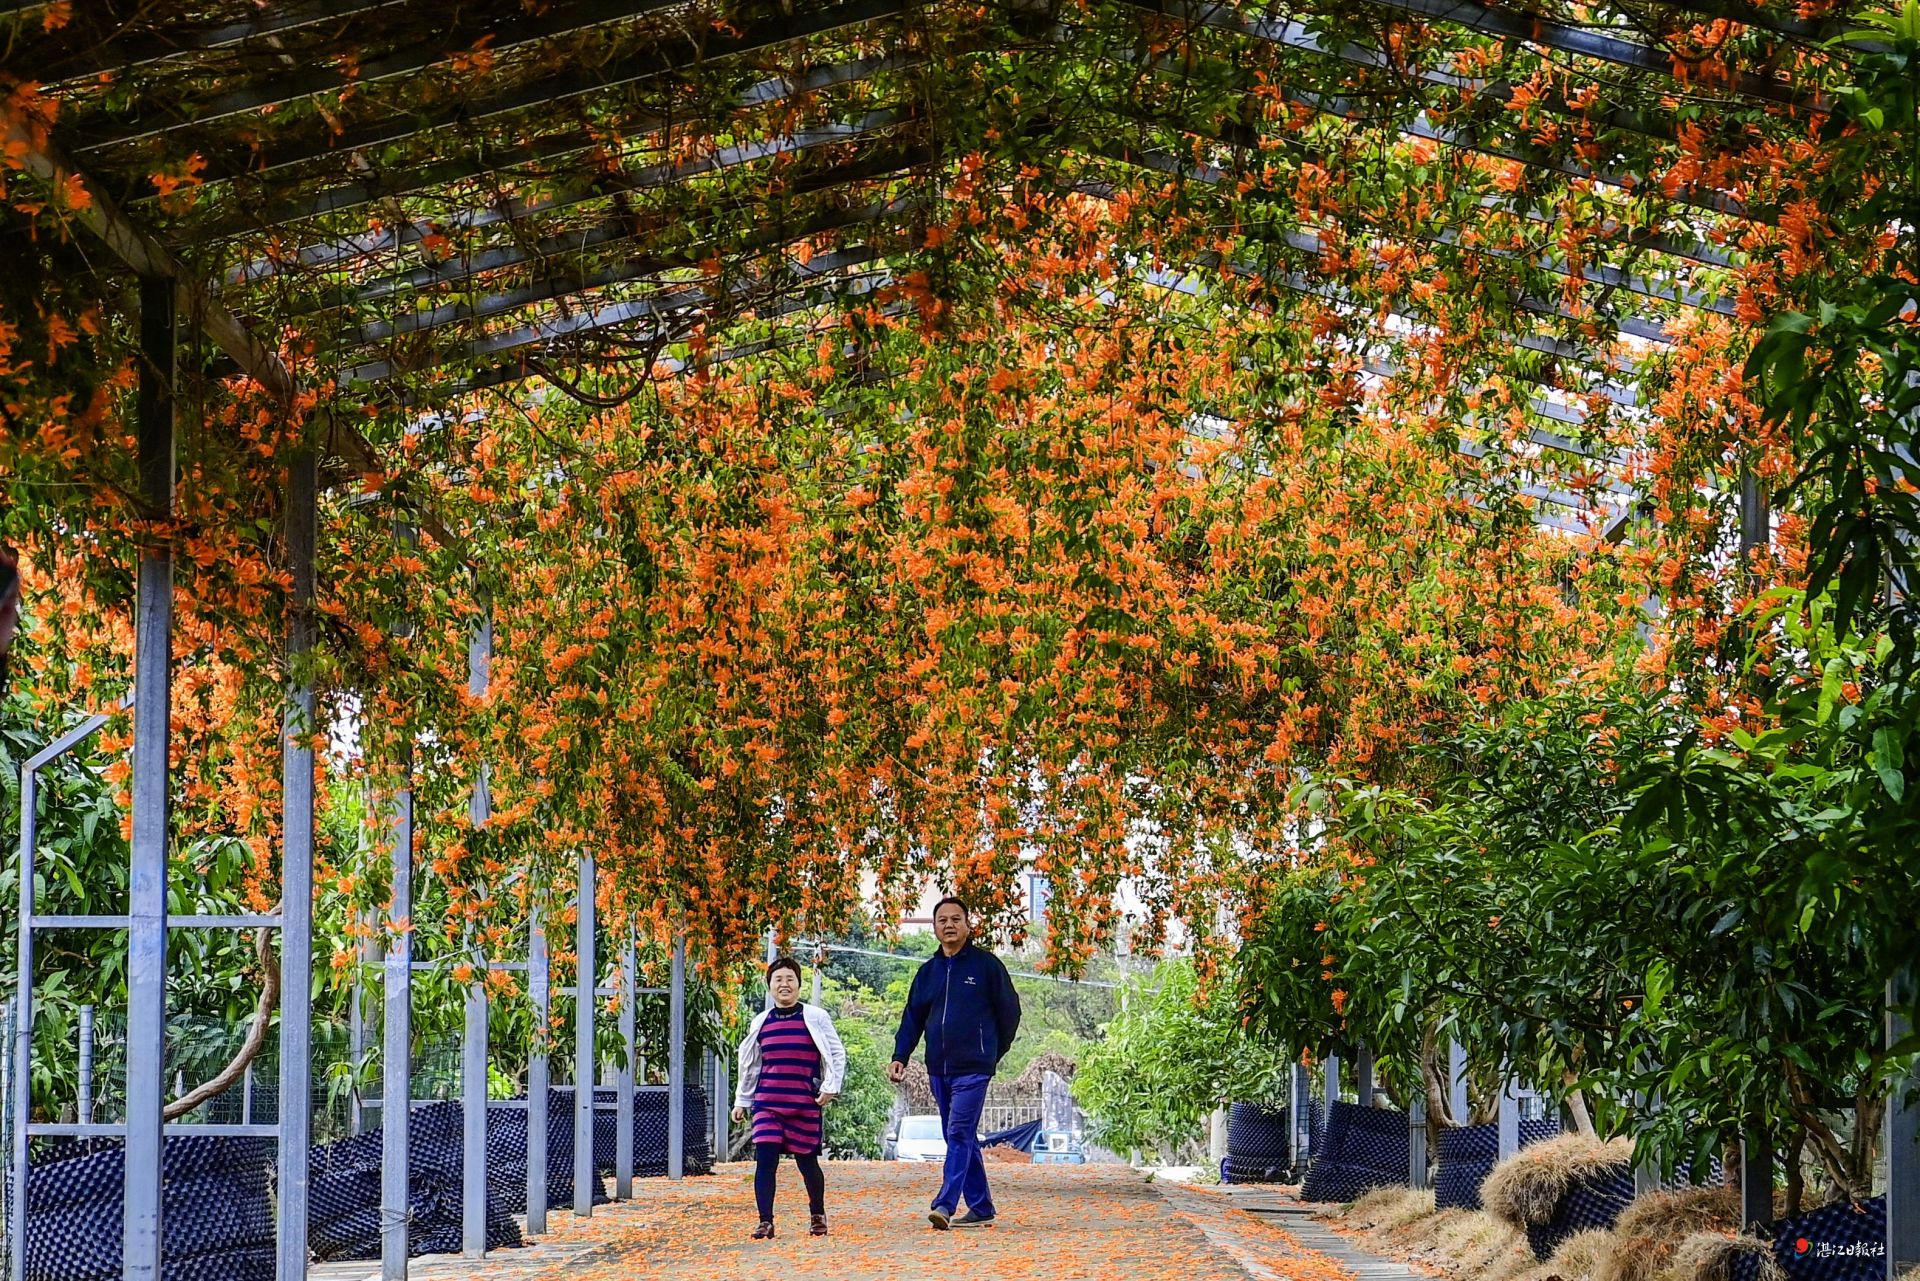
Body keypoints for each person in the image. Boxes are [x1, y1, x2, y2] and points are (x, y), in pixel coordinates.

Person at [889, 895, 1022, 1230]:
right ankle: (981, 1207)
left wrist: (992, 1053)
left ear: (968, 924)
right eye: (942, 920)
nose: (949, 925)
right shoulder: (927, 973)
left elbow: (1011, 1012)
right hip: (938, 1068)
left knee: (959, 1131)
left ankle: (945, 1204)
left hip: (974, 1069)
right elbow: (912, 1019)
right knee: (958, 1138)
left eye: (956, 919)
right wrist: (900, 1056)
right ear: (935, 927)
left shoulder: (986, 966)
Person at [733, 955, 847, 1239]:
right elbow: (751, 1065)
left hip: (804, 1104)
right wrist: (741, 1101)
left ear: (798, 984)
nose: (784, 985)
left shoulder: (816, 1017)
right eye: (778, 980)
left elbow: (836, 1053)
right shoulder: (761, 1022)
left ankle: (817, 1214)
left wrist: (830, 1087)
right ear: (769, 986)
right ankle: (765, 1221)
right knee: (765, 1158)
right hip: (767, 1104)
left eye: (790, 979)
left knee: (807, 1163)